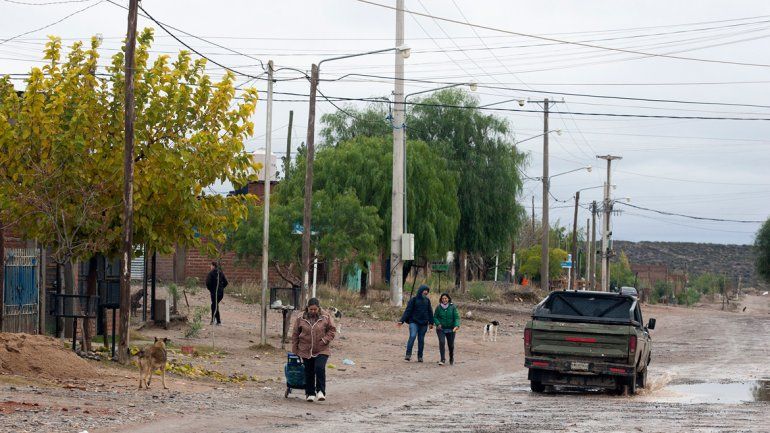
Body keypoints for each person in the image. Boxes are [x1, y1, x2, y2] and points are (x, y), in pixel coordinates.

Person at [291, 297, 336, 402]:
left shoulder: (326, 316)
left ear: (318, 308)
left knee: (319, 368)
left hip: (321, 348)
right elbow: (295, 334)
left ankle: (321, 391)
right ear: (307, 308)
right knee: (309, 370)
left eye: (315, 309)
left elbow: (332, 330)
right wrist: (295, 350)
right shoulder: (300, 317)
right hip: (305, 349)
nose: (313, 311)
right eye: (311, 309)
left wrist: (325, 340)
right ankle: (310, 393)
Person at [397, 285, 434, 362]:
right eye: (424, 290)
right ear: (420, 290)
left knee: (421, 339)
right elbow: (408, 311)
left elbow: (430, 312)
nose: (426, 292)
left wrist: (431, 323)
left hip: (424, 323)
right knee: (412, 336)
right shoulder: (413, 300)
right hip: (414, 322)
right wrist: (401, 320)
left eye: (427, 291)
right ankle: (408, 354)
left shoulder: (427, 301)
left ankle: (420, 356)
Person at [433, 292, 460, 366]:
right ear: (441, 299)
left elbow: (456, 317)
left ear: (448, 299)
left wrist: (456, 325)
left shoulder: (453, 307)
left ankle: (451, 357)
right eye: (443, 298)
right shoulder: (438, 307)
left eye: (445, 298)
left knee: (451, 345)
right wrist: (438, 323)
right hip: (441, 329)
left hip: (451, 329)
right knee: (442, 342)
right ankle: (442, 359)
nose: (444, 300)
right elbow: (435, 317)